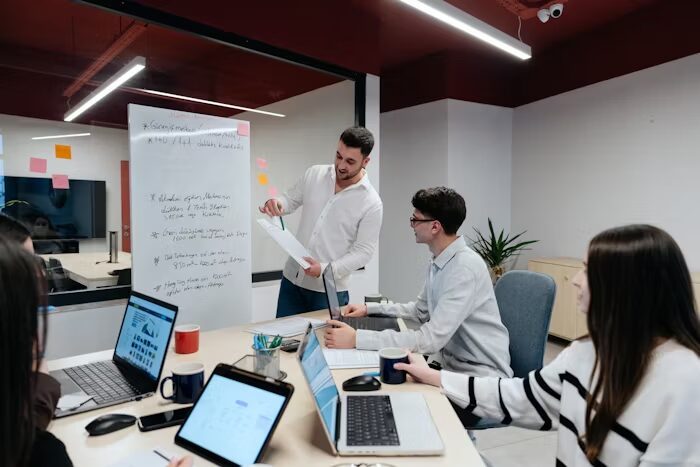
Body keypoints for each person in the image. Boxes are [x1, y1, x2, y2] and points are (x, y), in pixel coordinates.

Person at [396, 224, 700, 466]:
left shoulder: (685, 384)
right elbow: (520, 397)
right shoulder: (586, 353)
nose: (576, 280)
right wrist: (434, 377)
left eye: (587, 270)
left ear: (626, 288)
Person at [324, 187, 512, 380]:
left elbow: (429, 340)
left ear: (435, 227)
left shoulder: (464, 269)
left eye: (415, 220)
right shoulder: (440, 260)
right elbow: (420, 311)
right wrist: (369, 309)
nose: (412, 225)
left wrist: (357, 338)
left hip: (480, 375)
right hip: (452, 367)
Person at [259, 126, 383, 318]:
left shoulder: (371, 203)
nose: (341, 165)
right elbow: (289, 200)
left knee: (325, 338)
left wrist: (325, 270)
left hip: (328, 291)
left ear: (365, 161)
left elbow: (363, 252)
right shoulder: (315, 174)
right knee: (282, 336)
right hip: (292, 281)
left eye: (350, 161)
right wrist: (277, 203)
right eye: (338, 156)